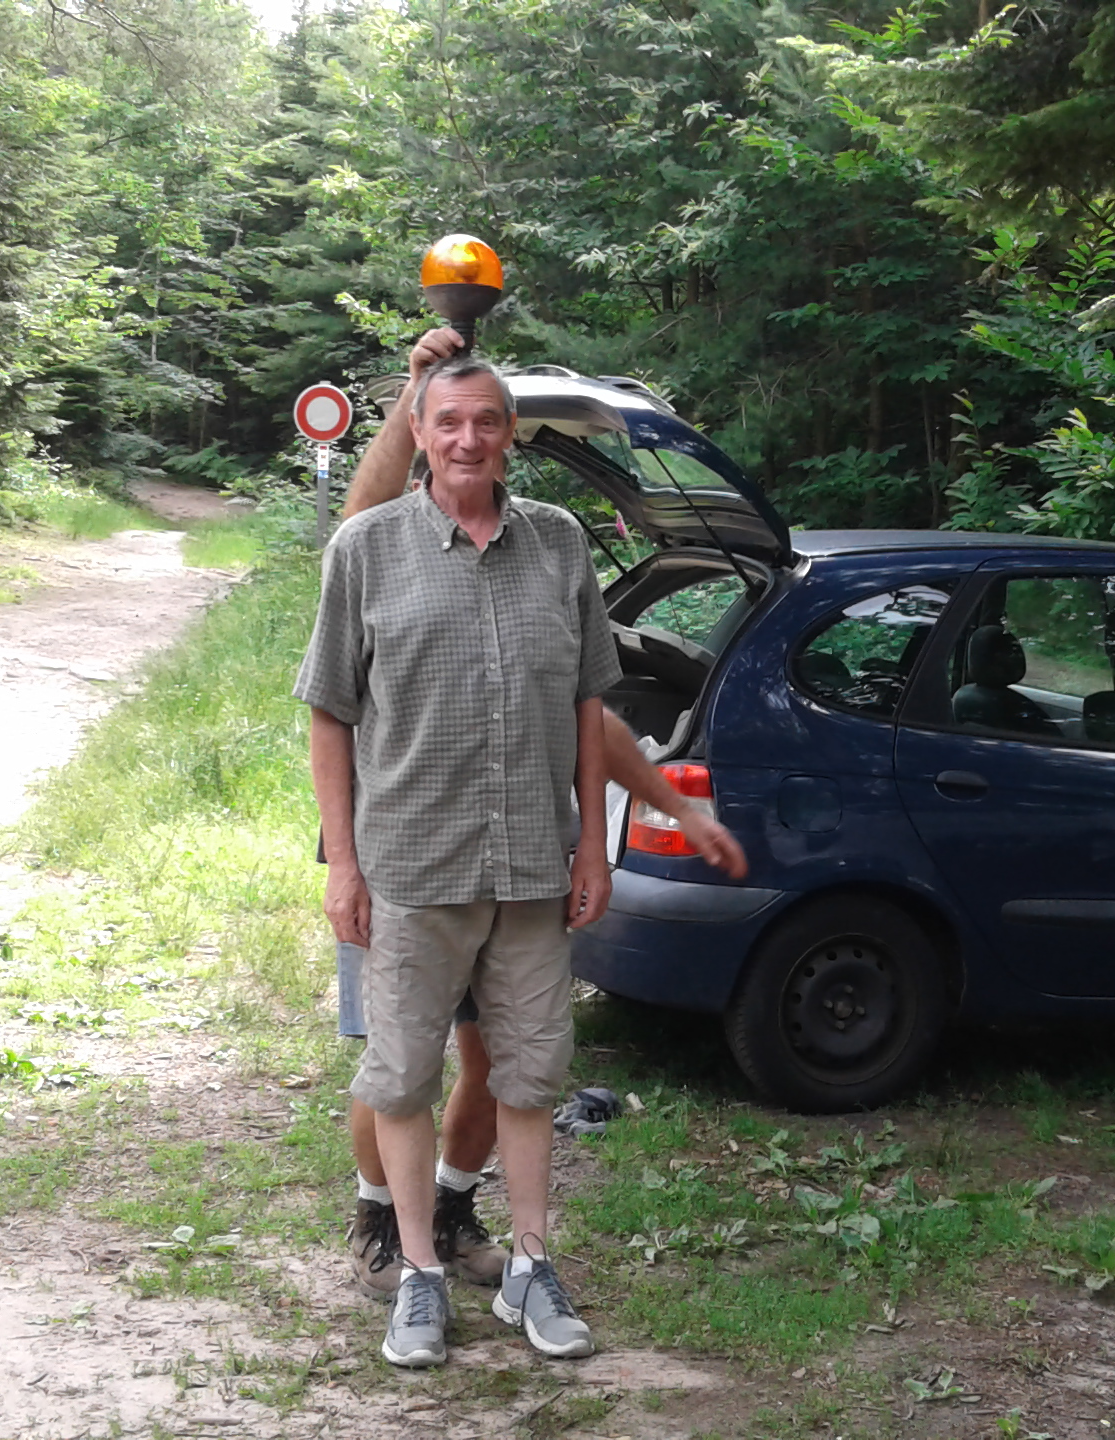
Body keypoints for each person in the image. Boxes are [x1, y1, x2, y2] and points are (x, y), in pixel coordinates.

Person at [300, 344, 731, 1370]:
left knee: (524, 1072)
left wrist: (600, 845)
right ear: (420, 429)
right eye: (446, 421)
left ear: (510, 435)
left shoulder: (558, 543)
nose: (467, 439)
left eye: (486, 421)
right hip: (411, 863)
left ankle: (524, 1261)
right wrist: (343, 865)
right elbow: (329, 710)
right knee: (398, 1072)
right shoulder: (369, 547)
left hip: (532, 866)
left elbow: (589, 706)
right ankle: (407, 1259)